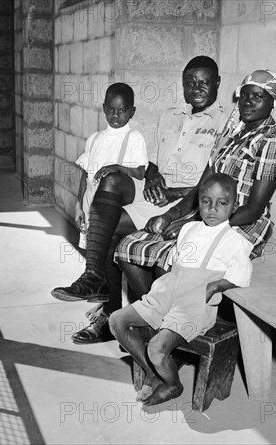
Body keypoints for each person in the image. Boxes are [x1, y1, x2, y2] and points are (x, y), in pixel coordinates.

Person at [52, 56, 231, 345]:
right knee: (110, 181)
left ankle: (124, 315)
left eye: (204, 82)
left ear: (218, 83)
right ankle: (97, 285)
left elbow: (218, 182)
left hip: (190, 204)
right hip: (157, 195)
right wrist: (153, 173)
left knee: (110, 229)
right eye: (190, 82)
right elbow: (153, 162)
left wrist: (181, 194)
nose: (196, 88)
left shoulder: (227, 123)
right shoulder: (170, 115)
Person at [116, 69, 276, 306]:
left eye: (259, 97)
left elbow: (254, 209)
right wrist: (170, 215)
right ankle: (157, 315)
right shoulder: (232, 134)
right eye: (245, 95)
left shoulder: (272, 142)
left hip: (241, 224)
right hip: (208, 214)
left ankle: (175, 322)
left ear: (273, 102)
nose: (249, 102)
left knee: (170, 258)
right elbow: (202, 186)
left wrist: (192, 224)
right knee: (128, 247)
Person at [109, 173, 253, 406]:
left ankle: (173, 385)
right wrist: (161, 293)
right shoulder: (189, 229)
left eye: (222, 203)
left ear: (233, 206)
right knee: (117, 321)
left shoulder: (235, 241)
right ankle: (154, 374)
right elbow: (174, 264)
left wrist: (212, 287)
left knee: (156, 348)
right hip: (167, 294)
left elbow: (242, 276)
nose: (212, 209)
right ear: (199, 203)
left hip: (193, 305)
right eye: (206, 202)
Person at [51, 82, 148, 304]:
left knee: (110, 184)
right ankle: (103, 291)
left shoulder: (133, 137)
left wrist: (118, 167)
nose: (116, 115)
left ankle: (93, 278)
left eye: (122, 110)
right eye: (111, 109)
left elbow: (141, 172)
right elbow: (85, 176)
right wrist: (78, 205)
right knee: (101, 251)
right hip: (94, 202)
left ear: (132, 112)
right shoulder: (95, 139)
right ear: (104, 108)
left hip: (121, 196)